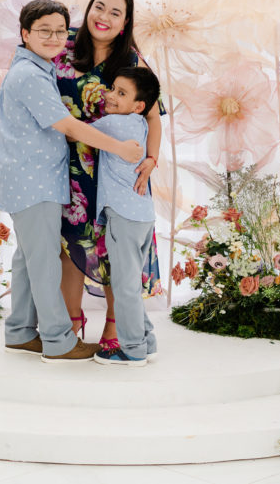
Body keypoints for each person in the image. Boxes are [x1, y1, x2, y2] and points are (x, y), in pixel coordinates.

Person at [0, 0, 144, 363]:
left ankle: (18, 331)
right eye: (44, 30)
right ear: (25, 33)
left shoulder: (38, 67)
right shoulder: (30, 75)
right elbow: (66, 125)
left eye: (60, 31)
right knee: (44, 260)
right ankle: (58, 340)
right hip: (35, 182)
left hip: (32, 179)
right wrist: (119, 148)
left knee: (27, 259)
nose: (54, 37)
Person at [53, 0, 162, 349]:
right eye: (99, 7)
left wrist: (151, 159)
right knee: (68, 244)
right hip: (64, 163)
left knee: (112, 248)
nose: (104, 17)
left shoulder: (131, 60)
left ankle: (115, 325)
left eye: (115, 13)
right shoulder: (63, 44)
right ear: (89, 9)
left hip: (113, 169)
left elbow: (154, 115)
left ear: (125, 21)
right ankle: (71, 320)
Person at [89, 67, 160, 366]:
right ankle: (147, 340)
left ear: (138, 106)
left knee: (125, 286)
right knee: (130, 282)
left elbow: (76, 129)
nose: (110, 96)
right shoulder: (139, 124)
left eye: (121, 93)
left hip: (125, 215)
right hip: (142, 215)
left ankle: (132, 349)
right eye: (112, 89)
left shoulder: (116, 125)